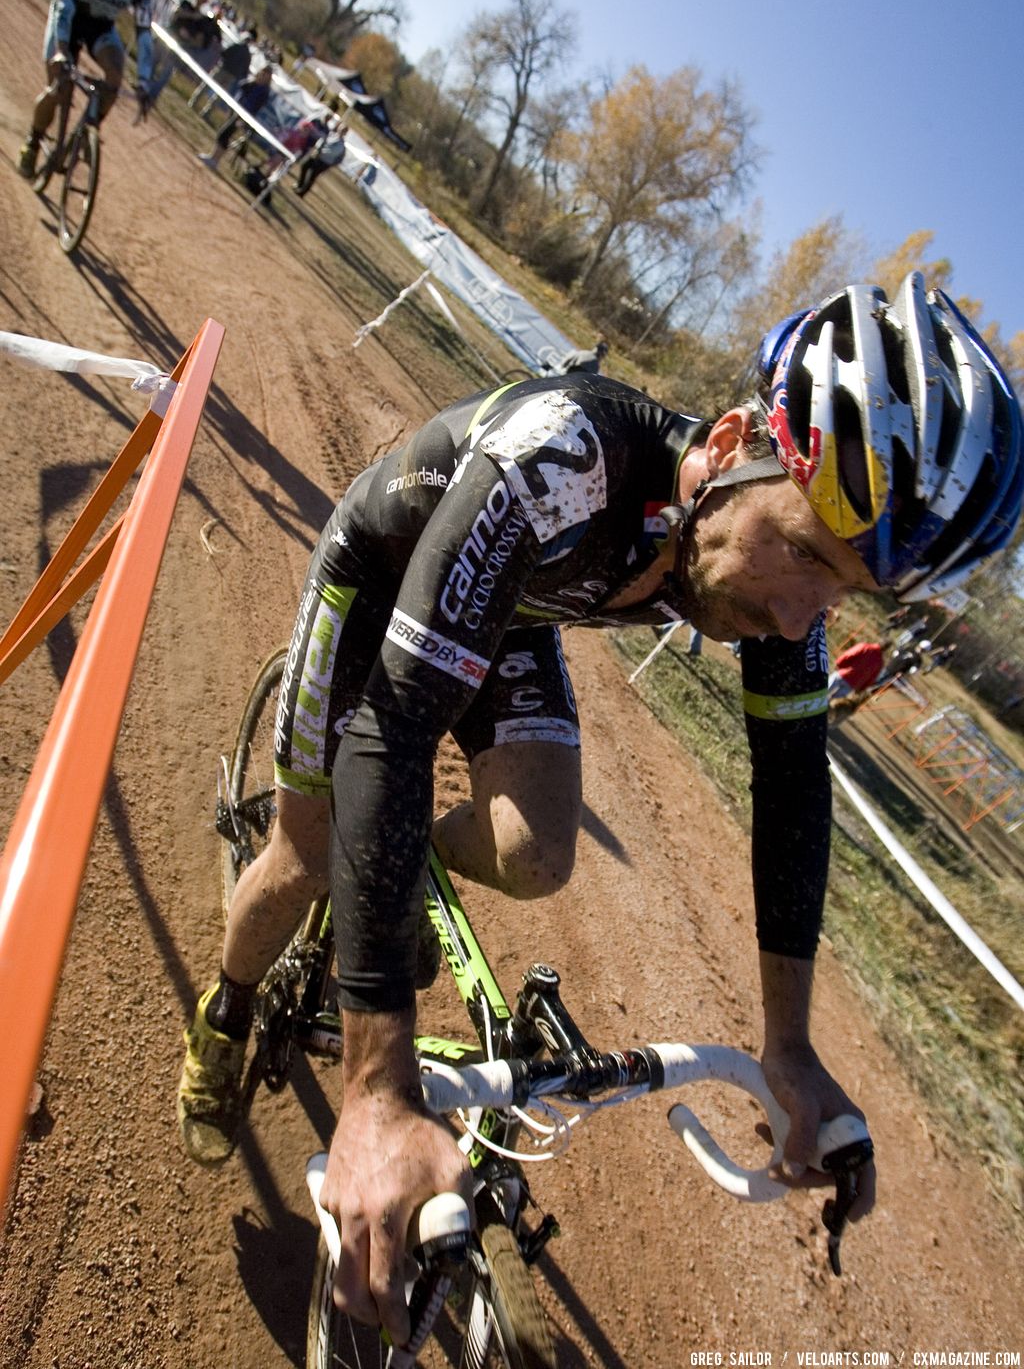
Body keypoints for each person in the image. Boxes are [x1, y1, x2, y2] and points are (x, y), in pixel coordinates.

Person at [178, 273, 1023, 1343]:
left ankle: (376, 878)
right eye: (806, 552)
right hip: (386, 577)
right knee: (305, 849)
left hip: (513, 605)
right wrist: (378, 1089)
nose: (802, 609)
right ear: (731, 443)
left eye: (843, 588)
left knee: (537, 854)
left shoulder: (777, 590)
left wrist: (788, 1044)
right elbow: (392, 728)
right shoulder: (563, 457)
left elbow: (795, 794)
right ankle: (228, 1006)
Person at [17, 0, 154, 180]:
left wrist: (145, 81)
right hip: (69, 18)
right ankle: (32, 143)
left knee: (115, 76)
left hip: (100, 27)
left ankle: (89, 131)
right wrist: (61, 50)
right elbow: (65, 6)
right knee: (60, 88)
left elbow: (145, 36)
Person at [195, 63, 273, 173]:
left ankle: (215, 159)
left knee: (225, 134)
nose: (263, 76)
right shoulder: (254, 84)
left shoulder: (264, 91)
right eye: (262, 73)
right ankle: (213, 157)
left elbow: (254, 106)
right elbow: (242, 87)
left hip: (244, 116)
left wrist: (243, 119)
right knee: (224, 134)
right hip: (236, 111)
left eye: (266, 75)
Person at [295, 118, 347, 196]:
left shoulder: (341, 145)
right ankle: (300, 184)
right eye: (341, 128)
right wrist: (318, 148)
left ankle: (302, 192)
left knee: (312, 176)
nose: (340, 130)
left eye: (343, 130)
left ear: (344, 133)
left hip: (324, 162)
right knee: (304, 166)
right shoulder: (332, 135)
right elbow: (323, 140)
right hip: (317, 156)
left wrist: (320, 152)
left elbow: (331, 152)